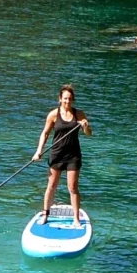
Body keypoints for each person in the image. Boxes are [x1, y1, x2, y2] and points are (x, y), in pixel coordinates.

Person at [32, 84, 92, 228]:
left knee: (73, 188)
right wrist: (38, 150)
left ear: (73, 100)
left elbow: (89, 133)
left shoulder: (79, 114)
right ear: (60, 99)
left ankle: (76, 220)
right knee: (51, 186)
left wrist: (85, 126)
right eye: (65, 98)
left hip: (73, 156)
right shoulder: (53, 114)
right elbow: (45, 133)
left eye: (70, 99)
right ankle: (46, 214)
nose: (67, 101)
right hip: (56, 155)